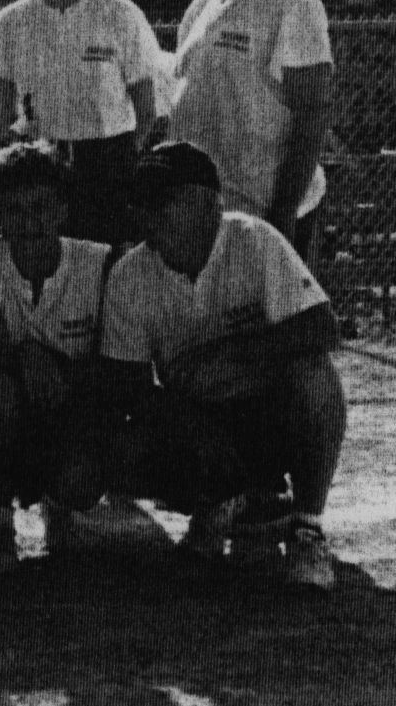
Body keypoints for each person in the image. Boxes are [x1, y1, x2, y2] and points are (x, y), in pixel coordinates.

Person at [101, 141, 347, 589]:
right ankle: (222, 503)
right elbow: (126, 385)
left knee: (316, 379)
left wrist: (237, 352)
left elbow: (322, 329)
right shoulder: (129, 274)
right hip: (195, 412)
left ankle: (305, 526)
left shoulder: (254, 240)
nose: (150, 217)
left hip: (266, 408)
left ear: (210, 204)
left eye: (166, 203)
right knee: (120, 454)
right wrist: (191, 424)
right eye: (143, 204)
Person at [0, 142, 112, 571]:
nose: (29, 221)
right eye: (15, 210)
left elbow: (112, 365)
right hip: (6, 416)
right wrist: (24, 355)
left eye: (41, 207)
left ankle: (60, 504)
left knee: (82, 482)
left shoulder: (97, 262)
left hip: (68, 412)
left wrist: (48, 364)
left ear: (62, 208)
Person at [170, 0, 333, 258]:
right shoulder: (201, 6)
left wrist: (282, 219)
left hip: (265, 217)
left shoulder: (292, 0)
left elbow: (312, 113)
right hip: (205, 216)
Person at [0, 0, 158, 248]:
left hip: (107, 166)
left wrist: (124, 167)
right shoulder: (10, 22)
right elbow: (4, 115)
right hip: (39, 169)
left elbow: (147, 111)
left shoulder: (120, 13)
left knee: (106, 271)